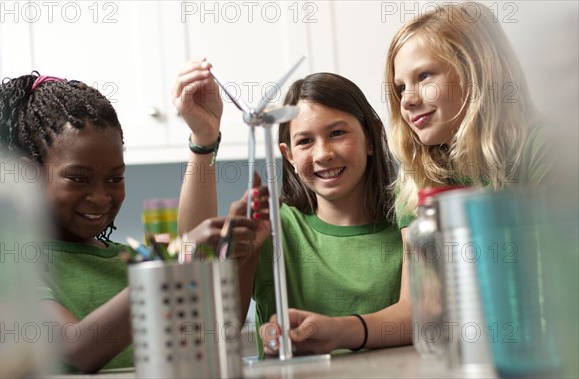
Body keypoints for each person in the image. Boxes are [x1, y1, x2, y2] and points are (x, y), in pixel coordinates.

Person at [0, 72, 262, 373]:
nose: (101, 197)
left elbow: (211, 335)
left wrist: (245, 253)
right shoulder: (8, 265)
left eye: (115, 178)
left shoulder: (132, 260)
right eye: (78, 178)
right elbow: (76, 348)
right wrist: (171, 263)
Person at [174, 60, 411, 357]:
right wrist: (203, 138)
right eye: (305, 141)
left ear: (371, 138)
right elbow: (197, 273)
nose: (323, 154)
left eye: (338, 133)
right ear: (288, 157)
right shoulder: (273, 229)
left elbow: (422, 318)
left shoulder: (407, 225)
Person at [384, 2, 553, 229]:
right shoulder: (415, 176)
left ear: (476, 70)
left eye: (424, 76)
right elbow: (414, 264)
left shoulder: (545, 145)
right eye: (401, 87)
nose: (406, 100)